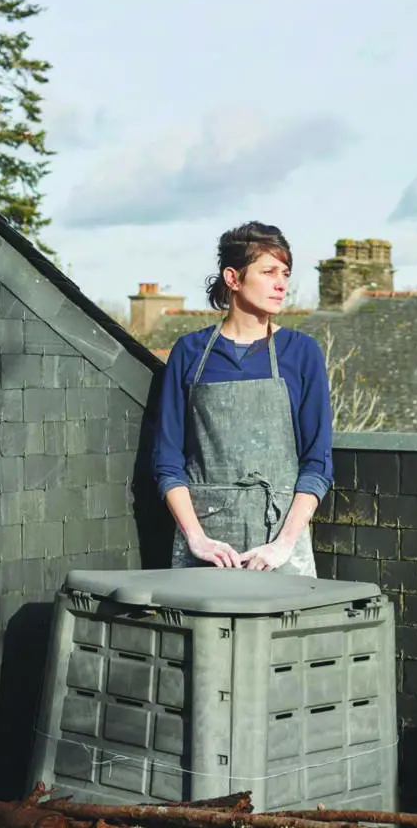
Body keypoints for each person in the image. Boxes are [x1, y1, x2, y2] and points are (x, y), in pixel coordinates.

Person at [151, 221, 334, 576]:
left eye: (285, 272)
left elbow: (318, 463)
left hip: (279, 549)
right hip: (206, 550)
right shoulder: (189, 352)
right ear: (233, 279)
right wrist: (197, 538)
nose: (281, 283)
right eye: (268, 272)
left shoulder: (301, 353)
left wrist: (284, 544)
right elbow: (167, 460)